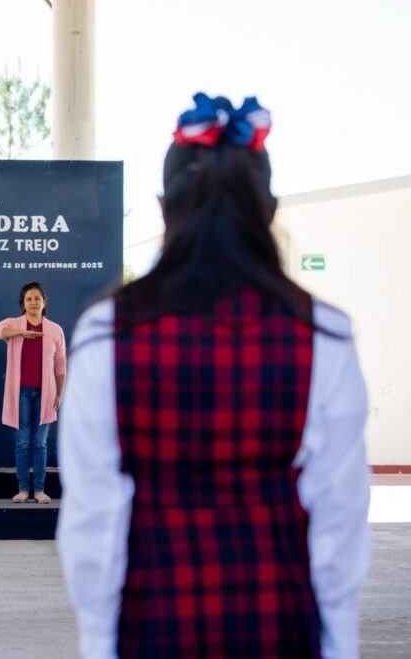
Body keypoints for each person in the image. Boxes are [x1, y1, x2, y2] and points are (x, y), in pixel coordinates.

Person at [57, 93, 370, 658]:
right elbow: (338, 525)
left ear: (163, 208)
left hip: (154, 625)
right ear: (269, 210)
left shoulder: (108, 331)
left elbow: (94, 521)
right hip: (281, 624)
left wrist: (101, 644)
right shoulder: (323, 331)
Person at [0, 282, 66, 504]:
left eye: (37, 298)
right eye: (29, 299)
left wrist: (59, 394)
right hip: (20, 392)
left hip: (46, 394)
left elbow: (60, 363)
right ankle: (23, 489)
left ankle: (39, 490)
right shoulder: (14, 324)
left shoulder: (55, 329)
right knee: (22, 442)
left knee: (40, 443)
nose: (33, 302)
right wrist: (21, 332)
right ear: (23, 303)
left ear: (44, 302)